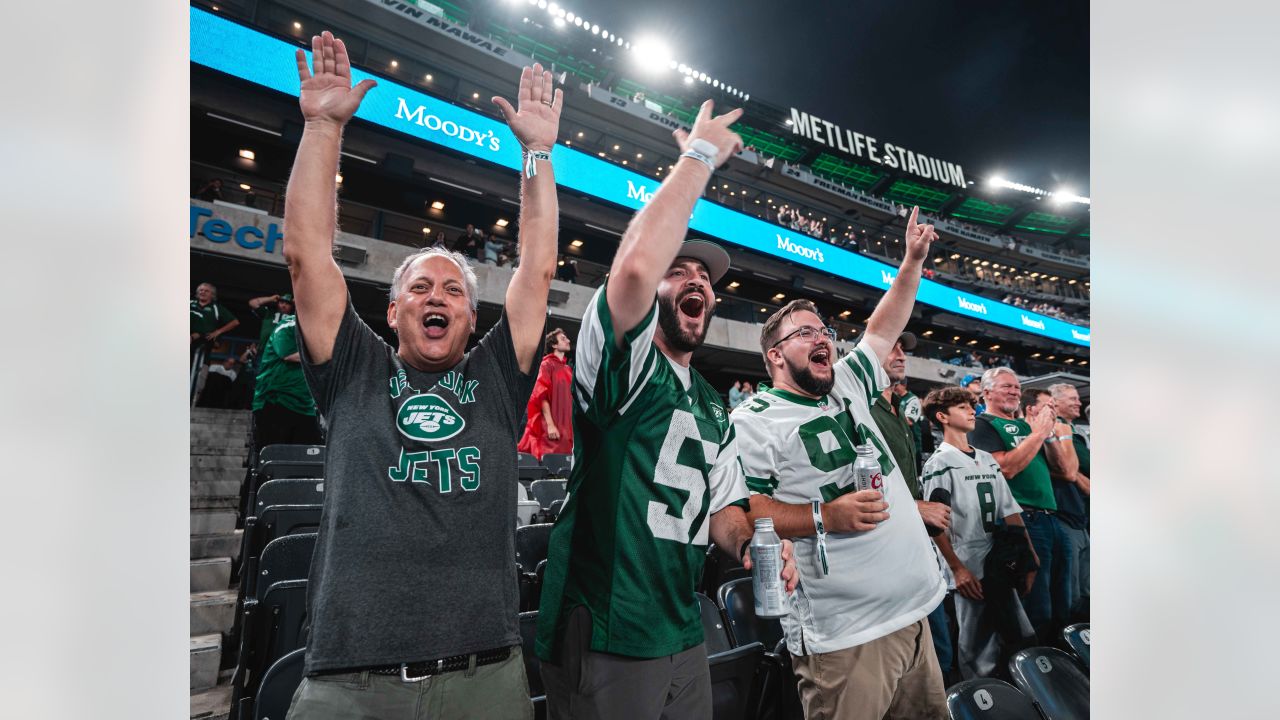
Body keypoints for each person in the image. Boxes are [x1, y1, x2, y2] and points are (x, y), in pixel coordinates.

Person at [281, 33, 561, 719]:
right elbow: (306, 256)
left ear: (471, 318)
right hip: (349, 682)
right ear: (392, 308)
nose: (437, 296)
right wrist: (322, 127)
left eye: (454, 290)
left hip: (484, 679)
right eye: (420, 287)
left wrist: (538, 153)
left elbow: (538, 272)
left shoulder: (496, 380)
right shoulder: (353, 369)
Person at [535, 99, 797, 720]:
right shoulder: (624, 361)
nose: (698, 282)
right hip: (609, 628)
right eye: (678, 271)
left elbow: (724, 512)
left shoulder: (710, 402)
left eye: (705, 278)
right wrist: (698, 158)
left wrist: (753, 546)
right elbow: (630, 271)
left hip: (682, 627)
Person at [734, 206, 951, 720]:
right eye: (804, 333)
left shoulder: (849, 383)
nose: (822, 338)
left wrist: (912, 260)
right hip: (846, 636)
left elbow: (882, 325)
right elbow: (749, 511)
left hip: (914, 614)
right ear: (775, 357)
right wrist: (823, 517)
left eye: (824, 330)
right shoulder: (753, 418)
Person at [920, 386, 1037, 679]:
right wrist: (957, 569)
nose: (972, 411)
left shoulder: (985, 458)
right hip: (968, 563)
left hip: (998, 559)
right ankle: (982, 702)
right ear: (942, 416)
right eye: (962, 407)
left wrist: (1028, 556)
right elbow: (935, 524)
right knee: (976, 647)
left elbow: (1009, 510)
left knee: (1018, 634)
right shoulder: (939, 463)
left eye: (972, 406)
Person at [869, 337, 954, 683]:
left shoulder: (902, 408)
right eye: (892, 347)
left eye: (904, 348)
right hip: (883, 550)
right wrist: (914, 506)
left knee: (940, 652)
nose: (901, 355)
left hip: (914, 544)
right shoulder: (861, 409)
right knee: (907, 662)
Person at [967, 369, 1060, 644]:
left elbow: (1061, 469)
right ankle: (1034, 666)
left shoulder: (1027, 426)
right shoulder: (982, 424)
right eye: (1006, 386)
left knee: (1064, 598)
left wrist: (1051, 433)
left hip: (1052, 517)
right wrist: (1039, 433)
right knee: (1035, 605)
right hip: (1023, 518)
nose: (1015, 391)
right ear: (986, 393)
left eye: (1017, 387)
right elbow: (1005, 467)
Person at [1049, 382, 1090, 618]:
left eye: (1078, 398)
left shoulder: (1075, 432)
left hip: (1080, 518)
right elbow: (1071, 471)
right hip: (1065, 517)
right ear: (1055, 403)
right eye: (1072, 399)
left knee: (1085, 590)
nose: (1078, 402)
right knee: (1071, 593)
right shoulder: (1058, 431)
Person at [251, 315, 322, 448]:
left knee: (311, 457)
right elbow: (288, 354)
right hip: (276, 400)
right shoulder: (288, 325)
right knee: (273, 457)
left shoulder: (319, 332)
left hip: (304, 406)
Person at [517, 328, 574, 460]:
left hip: (566, 431)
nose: (568, 341)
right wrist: (550, 425)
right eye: (563, 339)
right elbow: (540, 396)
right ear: (554, 345)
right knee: (549, 466)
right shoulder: (546, 365)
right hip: (550, 429)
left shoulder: (568, 370)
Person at [190, 282, 240, 355]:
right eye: (201, 290)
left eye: (206, 291)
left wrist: (218, 331)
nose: (203, 292)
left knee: (201, 364)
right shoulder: (190, 303)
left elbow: (235, 322)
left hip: (203, 341)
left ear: (212, 294)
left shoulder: (217, 308)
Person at [247, 292, 297, 361]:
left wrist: (298, 303)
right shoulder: (269, 313)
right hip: (264, 352)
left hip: (284, 355)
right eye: (281, 302)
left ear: (291, 306)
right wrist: (270, 299)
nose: (284, 305)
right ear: (278, 303)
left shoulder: (294, 317)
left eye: (287, 303)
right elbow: (252, 303)